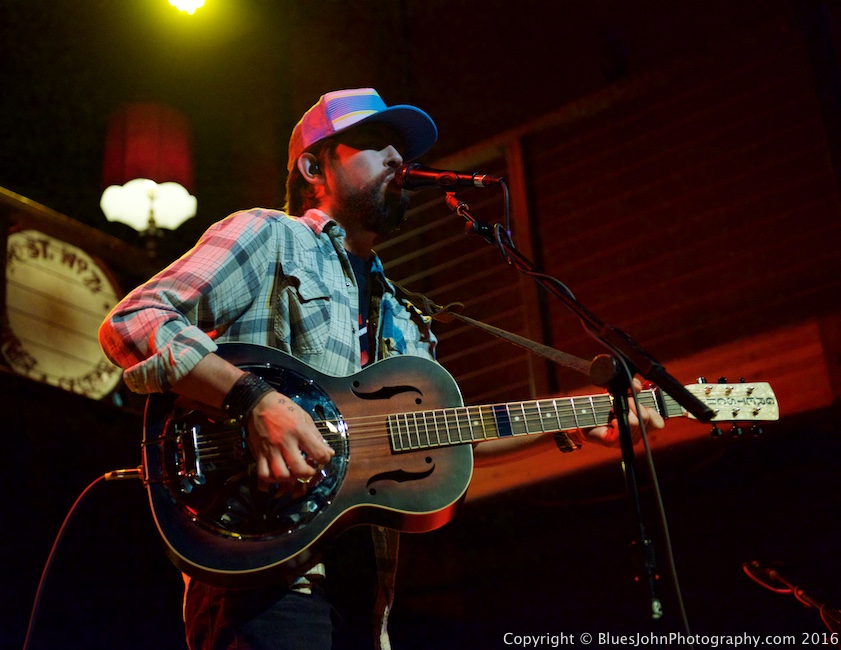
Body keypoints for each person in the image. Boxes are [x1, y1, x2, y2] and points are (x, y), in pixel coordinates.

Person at [99, 87, 665, 650]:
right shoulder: (270, 236)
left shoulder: (405, 316)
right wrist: (255, 399)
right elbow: (133, 321)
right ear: (313, 165)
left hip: (367, 601)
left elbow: (443, 436)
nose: (400, 160)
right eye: (376, 144)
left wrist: (571, 420)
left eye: (402, 150)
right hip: (264, 571)